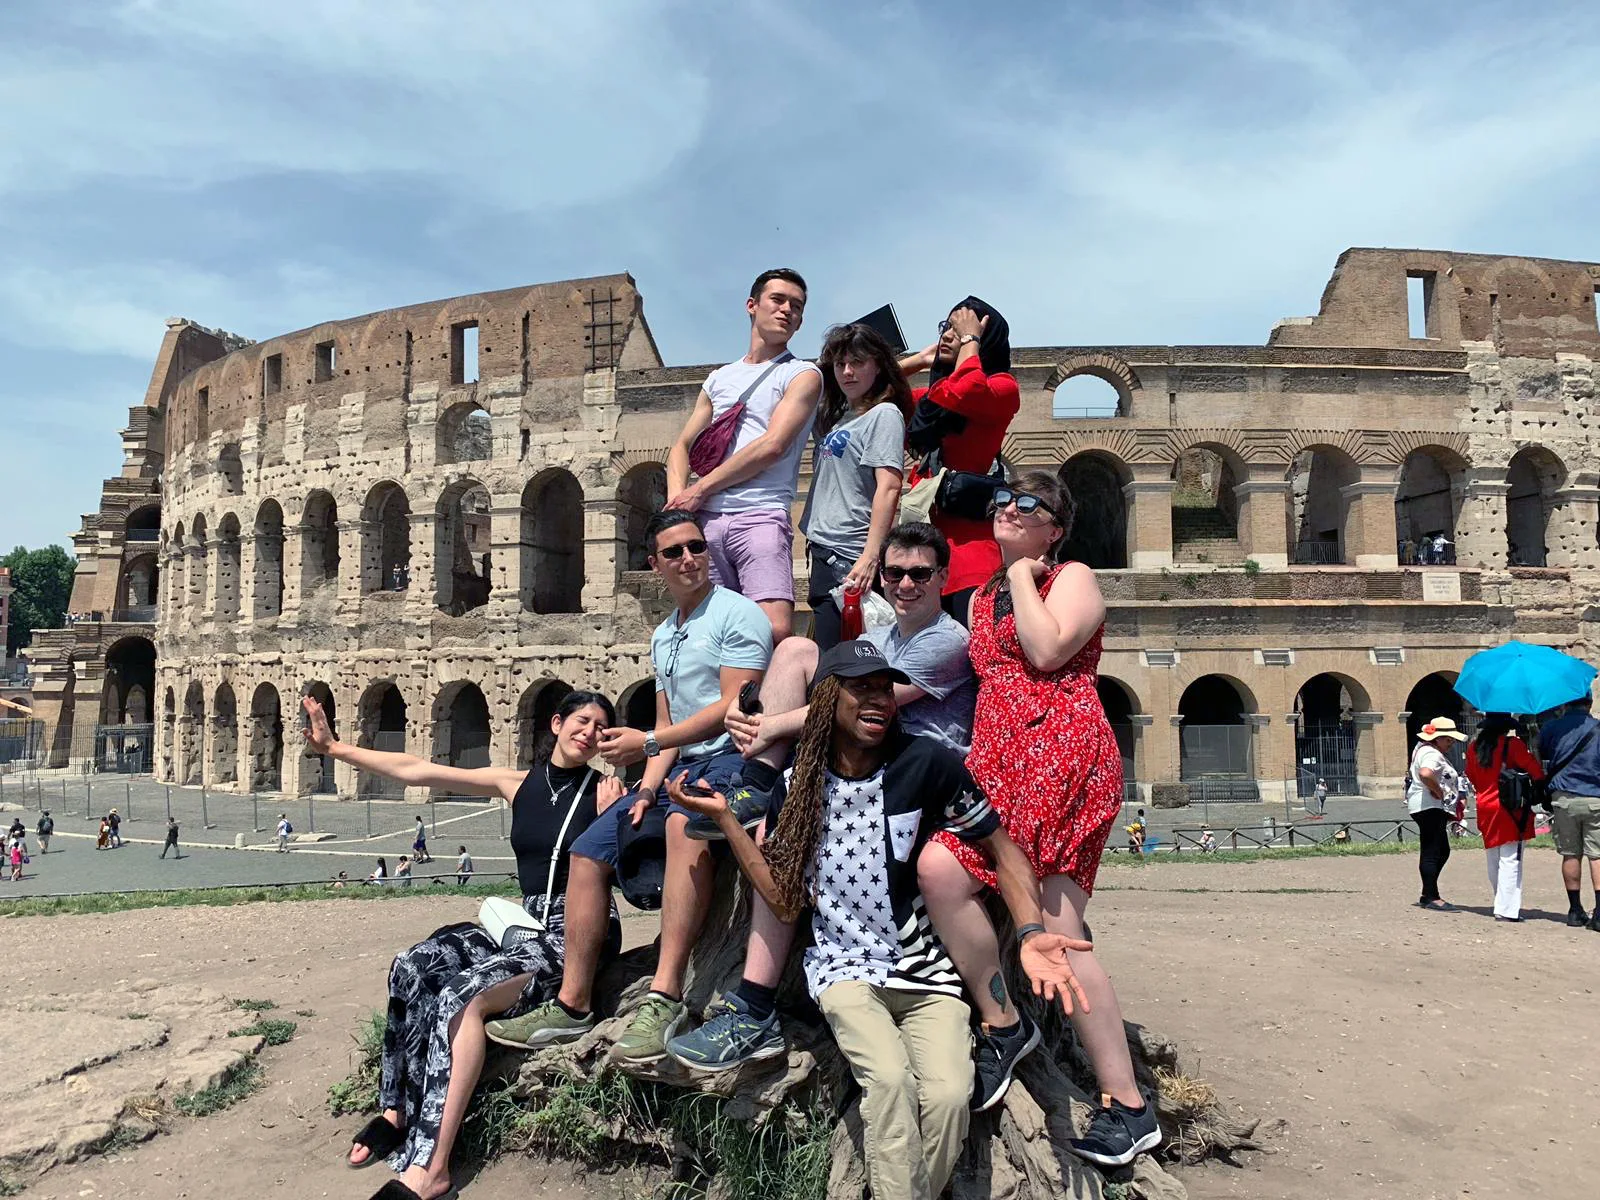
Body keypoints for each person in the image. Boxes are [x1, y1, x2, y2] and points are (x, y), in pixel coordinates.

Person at [667, 640, 1089, 1200]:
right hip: (843, 972)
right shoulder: (796, 787)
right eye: (861, 687)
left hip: (927, 972)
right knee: (888, 1083)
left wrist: (1032, 931)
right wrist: (730, 821)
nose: (879, 700)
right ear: (825, 701)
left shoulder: (927, 763)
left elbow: (1002, 848)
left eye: (885, 687)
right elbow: (784, 900)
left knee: (948, 1093)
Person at [916, 470, 1161, 1166]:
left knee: (1059, 926)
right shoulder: (984, 597)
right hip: (999, 759)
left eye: (1029, 505)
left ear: (1056, 527)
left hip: (1063, 751)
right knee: (940, 868)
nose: (1009, 510)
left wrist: (1023, 570)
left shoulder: (1071, 575)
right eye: (1002, 502)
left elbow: (1050, 650)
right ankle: (1004, 1021)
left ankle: (1129, 1104)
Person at [667, 524, 981, 1066]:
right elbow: (839, 695)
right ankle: (758, 784)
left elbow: (873, 704)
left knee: (786, 839)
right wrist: (758, 719)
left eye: (920, 574)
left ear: (943, 578)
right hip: (863, 764)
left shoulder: (948, 640)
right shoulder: (882, 640)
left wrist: (768, 726)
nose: (906, 584)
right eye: (895, 573)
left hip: (916, 779)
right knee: (793, 649)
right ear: (881, 577)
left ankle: (756, 1006)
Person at [307, 689, 625, 1200]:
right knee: (413, 965)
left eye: (600, 726)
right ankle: (397, 1109)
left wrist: (617, 817)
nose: (588, 732)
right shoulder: (516, 782)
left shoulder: (609, 791)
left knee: (461, 995)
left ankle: (433, 1168)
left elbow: (637, 880)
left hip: (578, 932)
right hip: (524, 920)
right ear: (556, 723)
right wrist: (335, 749)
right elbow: (418, 769)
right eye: (581, 721)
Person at [485, 510, 770, 1065]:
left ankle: (665, 996)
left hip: (733, 762)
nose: (688, 559)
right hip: (679, 765)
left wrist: (651, 745)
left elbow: (732, 707)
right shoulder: (665, 634)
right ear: (654, 563)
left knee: (688, 826)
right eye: (674, 552)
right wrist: (643, 789)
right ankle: (573, 1003)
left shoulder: (740, 616)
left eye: (695, 547)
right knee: (587, 852)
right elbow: (667, 720)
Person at [665, 268, 823, 643]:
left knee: (773, 626)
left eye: (797, 306)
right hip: (706, 520)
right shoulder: (718, 379)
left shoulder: (802, 374)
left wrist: (700, 490)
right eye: (778, 300)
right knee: (708, 630)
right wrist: (677, 509)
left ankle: (762, 702)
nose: (787, 310)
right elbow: (681, 446)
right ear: (752, 306)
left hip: (761, 514)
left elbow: (773, 445)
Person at [900, 298, 1020, 623]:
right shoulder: (930, 401)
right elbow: (867, 397)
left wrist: (970, 342)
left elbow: (966, 391)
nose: (950, 335)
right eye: (947, 327)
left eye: (962, 329)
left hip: (972, 559)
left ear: (984, 340)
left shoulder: (1002, 388)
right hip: (922, 559)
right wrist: (917, 362)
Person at [799, 323, 912, 650]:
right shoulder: (838, 416)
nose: (847, 372)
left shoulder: (884, 414)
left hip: (850, 556)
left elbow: (889, 487)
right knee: (831, 653)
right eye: (839, 364)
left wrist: (870, 556)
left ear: (878, 365)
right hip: (824, 549)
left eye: (858, 362)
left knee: (846, 658)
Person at [1465, 714, 1544, 921]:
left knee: (1493, 857)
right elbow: (1535, 771)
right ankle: (1506, 909)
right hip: (1510, 806)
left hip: (1485, 805)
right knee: (1511, 858)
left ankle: (1500, 900)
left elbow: (1471, 776)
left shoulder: (1474, 747)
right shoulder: (1513, 744)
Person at [1537, 695, 1600, 929]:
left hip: (1563, 797)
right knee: (1597, 855)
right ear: (1589, 704)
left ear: (1566, 703)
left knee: (1570, 853)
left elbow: (1542, 753)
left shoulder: (1552, 727)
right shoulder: (1598, 728)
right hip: (1595, 796)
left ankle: (1575, 910)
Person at [1407, 717, 1469, 910]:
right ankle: (1431, 896)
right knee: (1433, 851)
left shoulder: (1424, 750)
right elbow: (1426, 774)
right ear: (1437, 738)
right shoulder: (1432, 754)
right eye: (1448, 739)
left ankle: (1428, 893)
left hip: (1426, 806)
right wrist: (1438, 791)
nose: (1451, 743)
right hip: (1429, 806)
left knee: (1439, 850)